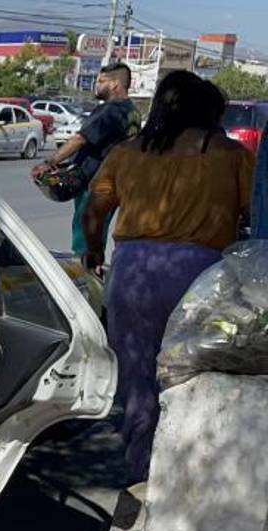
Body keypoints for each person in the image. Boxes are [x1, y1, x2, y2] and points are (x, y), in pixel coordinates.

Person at [82, 71, 256, 484]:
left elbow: (95, 211)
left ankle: (145, 474)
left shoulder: (126, 153)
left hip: (133, 273)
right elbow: (254, 215)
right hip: (201, 277)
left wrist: (93, 250)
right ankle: (189, 475)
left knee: (139, 379)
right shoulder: (230, 155)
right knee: (196, 377)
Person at [31, 63, 142, 253]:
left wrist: (49, 162)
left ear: (115, 84)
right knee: (97, 236)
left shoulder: (110, 110)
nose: (96, 85)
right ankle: (93, 272)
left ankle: (83, 277)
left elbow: (80, 139)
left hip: (95, 183)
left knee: (84, 239)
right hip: (116, 184)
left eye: (101, 81)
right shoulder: (133, 111)